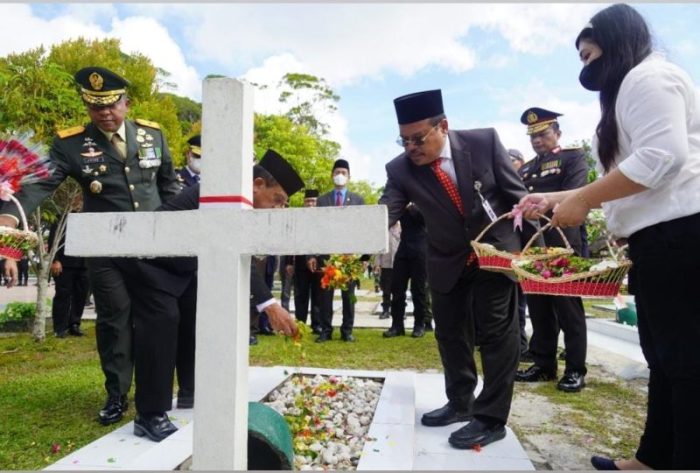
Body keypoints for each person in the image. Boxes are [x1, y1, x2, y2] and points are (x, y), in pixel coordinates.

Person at [518, 4, 700, 469]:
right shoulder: (631, 88)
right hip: (660, 240)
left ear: (616, 42)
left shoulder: (647, 79)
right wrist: (555, 199)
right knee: (663, 359)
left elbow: (664, 157)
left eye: (589, 54)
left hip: (682, 235)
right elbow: (622, 177)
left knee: (685, 364)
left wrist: (581, 203)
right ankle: (652, 459)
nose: (586, 66)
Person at [0, 66, 182, 427]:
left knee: (156, 320)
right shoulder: (70, 144)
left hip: (152, 247)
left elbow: (169, 187)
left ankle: (154, 396)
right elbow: (41, 185)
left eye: (112, 105)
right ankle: (116, 394)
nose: (105, 113)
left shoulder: (152, 135)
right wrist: (7, 221)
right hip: (107, 252)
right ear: (87, 107)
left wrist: (182, 233)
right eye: (96, 107)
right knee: (115, 319)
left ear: (126, 103)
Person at [380, 89, 534, 450]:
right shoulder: (400, 169)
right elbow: (384, 213)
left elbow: (517, 197)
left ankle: (491, 417)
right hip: (446, 257)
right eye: (404, 140)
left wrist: (531, 256)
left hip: (494, 253)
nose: (411, 148)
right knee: (449, 333)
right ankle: (461, 401)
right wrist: (348, 236)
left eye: (418, 138)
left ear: (443, 126)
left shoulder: (483, 142)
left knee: (497, 334)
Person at [117, 149, 302, 439]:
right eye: (276, 200)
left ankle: (191, 392)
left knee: (195, 321)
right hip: (150, 263)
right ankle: (150, 414)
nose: (276, 209)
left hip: (183, 266)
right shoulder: (225, 198)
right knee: (162, 325)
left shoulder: (240, 203)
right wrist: (270, 305)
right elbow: (245, 260)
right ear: (257, 184)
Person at [514, 107, 589, 392]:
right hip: (535, 246)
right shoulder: (528, 167)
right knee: (540, 307)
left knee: (568, 309)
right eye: (532, 136)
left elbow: (576, 193)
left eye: (543, 134)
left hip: (562, 244)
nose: (536, 140)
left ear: (557, 132)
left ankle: (574, 368)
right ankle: (543, 364)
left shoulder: (573, 157)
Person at [309, 159, 366, 343]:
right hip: (327, 256)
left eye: (343, 172)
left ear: (349, 176)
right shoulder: (322, 200)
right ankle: (326, 330)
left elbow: (362, 229)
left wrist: (364, 257)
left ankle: (347, 330)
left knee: (348, 296)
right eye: (336, 172)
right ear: (332, 175)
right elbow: (315, 229)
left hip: (349, 257)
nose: (340, 175)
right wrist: (312, 255)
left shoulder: (358, 200)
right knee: (325, 297)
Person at [383, 203, 434, 338]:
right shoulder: (401, 204)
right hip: (403, 250)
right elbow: (390, 217)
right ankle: (397, 325)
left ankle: (419, 325)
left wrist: (410, 206)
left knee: (419, 291)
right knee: (397, 290)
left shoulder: (422, 201)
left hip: (420, 251)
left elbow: (423, 218)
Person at [48, 194, 89, 338]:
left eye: (82, 200)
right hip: (64, 264)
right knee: (62, 296)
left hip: (84, 264)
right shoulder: (61, 218)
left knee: (80, 296)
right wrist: (55, 260)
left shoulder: (88, 218)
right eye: (78, 200)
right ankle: (60, 327)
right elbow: (53, 240)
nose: (80, 204)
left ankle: (74, 324)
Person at [508, 148, 533, 362]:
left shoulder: (526, 183)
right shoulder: (503, 183)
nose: (508, 163)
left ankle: (522, 346)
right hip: (511, 250)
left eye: (512, 160)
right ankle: (516, 345)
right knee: (512, 301)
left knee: (523, 302)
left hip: (530, 250)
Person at [293, 189, 322, 333]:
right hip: (300, 264)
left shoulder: (323, 219)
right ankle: (300, 323)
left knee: (317, 296)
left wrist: (317, 258)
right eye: (307, 201)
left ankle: (316, 324)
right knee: (301, 295)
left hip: (318, 264)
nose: (310, 204)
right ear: (304, 203)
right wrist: (288, 263)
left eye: (313, 201)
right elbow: (291, 242)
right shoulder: (298, 220)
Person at [375, 221, 400, 319]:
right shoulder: (383, 228)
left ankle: (399, 310)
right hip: (386, 264)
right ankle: (385, 310)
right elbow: (379, 247)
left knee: (399, 289)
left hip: (399, 264)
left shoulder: (401, 227)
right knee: (386, 289)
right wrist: (377, 264)